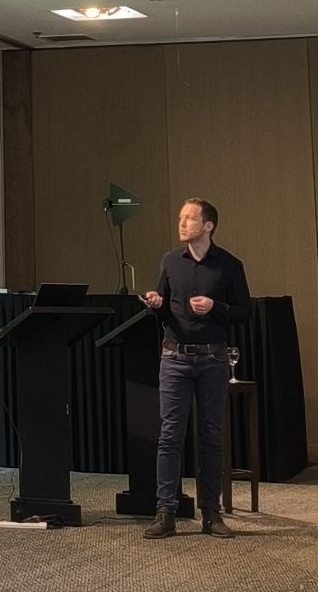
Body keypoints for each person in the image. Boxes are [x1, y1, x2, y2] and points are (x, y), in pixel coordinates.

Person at [142, 198, 250, 540]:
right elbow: (164, 309)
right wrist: (156, 303)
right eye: (181, 217)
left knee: (211, 436)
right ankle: (165, 512)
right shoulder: (171, 261)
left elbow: (244, 312)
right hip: (175, 356)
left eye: (189, 218)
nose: (182, 223)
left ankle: (211, 513)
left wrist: (215, 306)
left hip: (213, 358)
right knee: (170, 436)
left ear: (208, 226)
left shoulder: (229, 265)